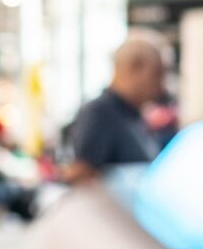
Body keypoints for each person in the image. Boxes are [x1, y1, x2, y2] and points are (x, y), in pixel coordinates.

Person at [64, 34, 169, 182]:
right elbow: (81, 174)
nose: (162, 85)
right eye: (157, 74)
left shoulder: (133, 115)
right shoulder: (100, 113)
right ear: (134, 67)